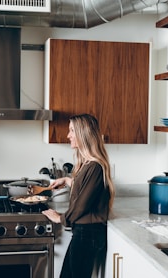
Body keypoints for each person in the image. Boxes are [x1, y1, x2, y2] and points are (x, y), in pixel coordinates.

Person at [42, 114, 115, 278]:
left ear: (84, 134)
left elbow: (82, 205)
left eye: (72, 131)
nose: (68, 135)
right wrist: (68, 180)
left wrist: (60, 218)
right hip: (84, 234)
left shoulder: (95, 166)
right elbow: (86, 189)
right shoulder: (88, 164)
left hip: (88, 235)